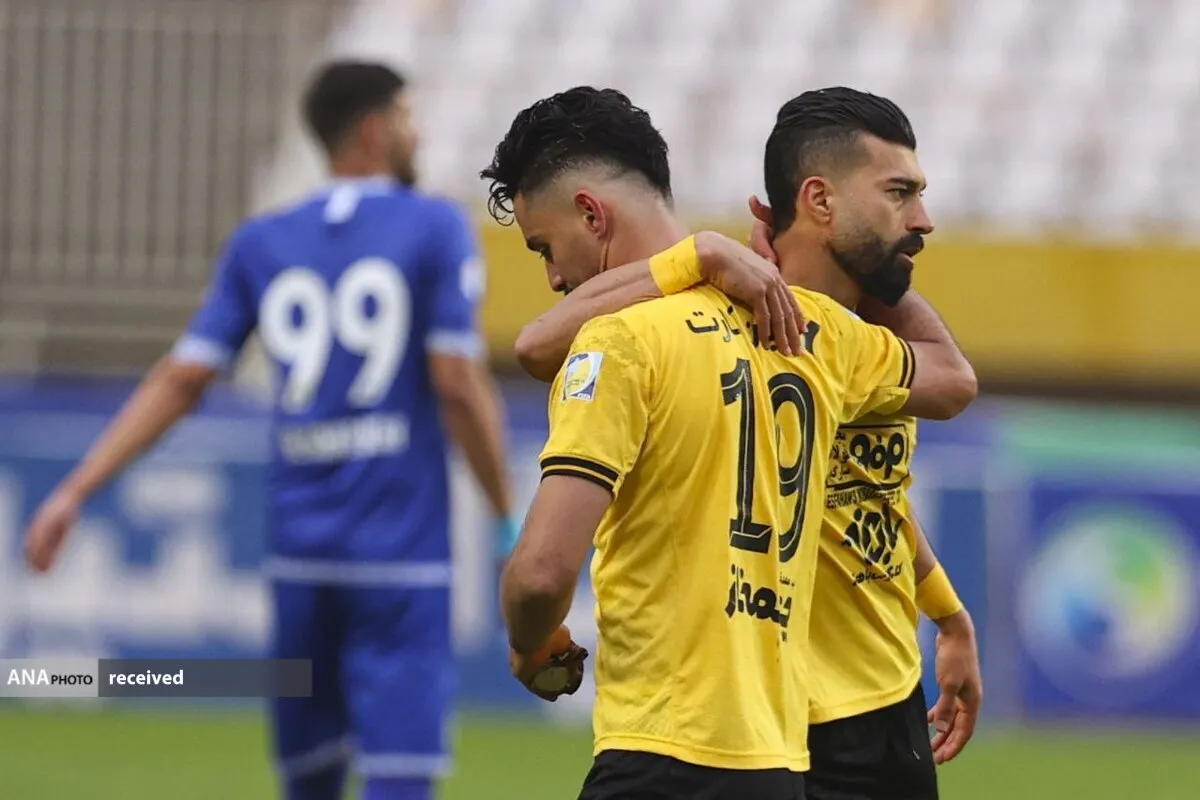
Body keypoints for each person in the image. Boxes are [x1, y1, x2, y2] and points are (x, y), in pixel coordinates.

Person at [23, 61, 515, 800]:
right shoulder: (436, 227)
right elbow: (457, 383)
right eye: (407, 118)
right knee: (400, 774)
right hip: (401, 560)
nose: (417, 134)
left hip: (300, 558)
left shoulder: (263, 241)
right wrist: (506, 514)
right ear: (374, 130)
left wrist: (75, 490)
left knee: (310, 777)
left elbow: (182, 380)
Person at [479, 86, 976, 800]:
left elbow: (538, 574)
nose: (554, 276)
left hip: (666, 751)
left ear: (591, 214)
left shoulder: (619, 340)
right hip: (777, 759)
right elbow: (940, 394)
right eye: (900, 195)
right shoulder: (808, 331)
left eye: (545, 250)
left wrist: (529, 643)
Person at [750, 87, 982, 800]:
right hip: (792, 720)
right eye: (898, 193)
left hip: (887, 699)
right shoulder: (770, 331)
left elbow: (868, 495)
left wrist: (948, 615)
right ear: (819, 201)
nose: (923, 219)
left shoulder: (862, 333)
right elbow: (955, 382)